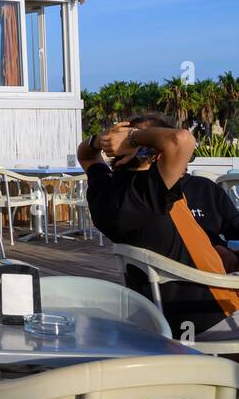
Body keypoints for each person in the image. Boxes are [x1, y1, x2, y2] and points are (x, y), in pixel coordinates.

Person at [79, 112, 239, 337]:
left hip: (160, 315)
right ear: (156, 156)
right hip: (208, 316)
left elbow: (86, 156)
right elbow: (183, 139)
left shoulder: (105, 191)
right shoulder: (150, 193)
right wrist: (134, 138)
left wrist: (100, 141)